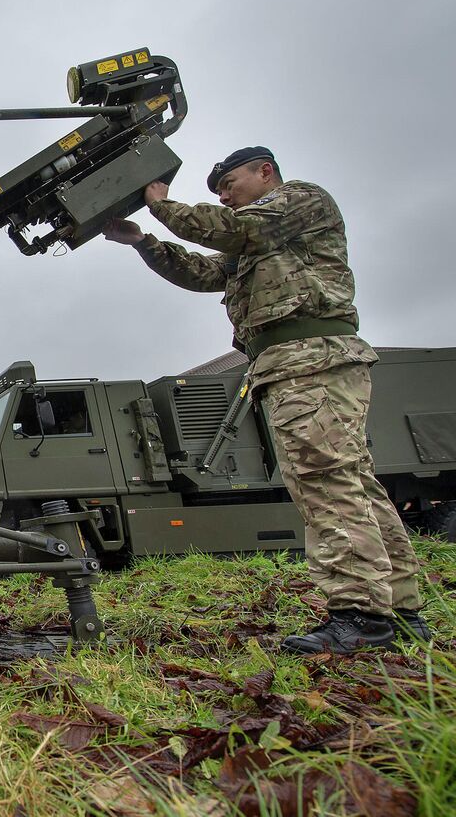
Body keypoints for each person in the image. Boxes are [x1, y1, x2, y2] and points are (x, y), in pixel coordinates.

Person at [103, 147, 428, 654]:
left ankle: (361, 615)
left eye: (230, 185)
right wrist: (145, 242)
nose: (226, 197)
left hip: (309, 360)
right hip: (294, 363)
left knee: (323, 483)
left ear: (265, 172)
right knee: (350, 482)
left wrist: (159, 203)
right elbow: (203, 274)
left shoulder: (298, 203)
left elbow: (222, 229)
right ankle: (400, 610)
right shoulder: (257, 240)